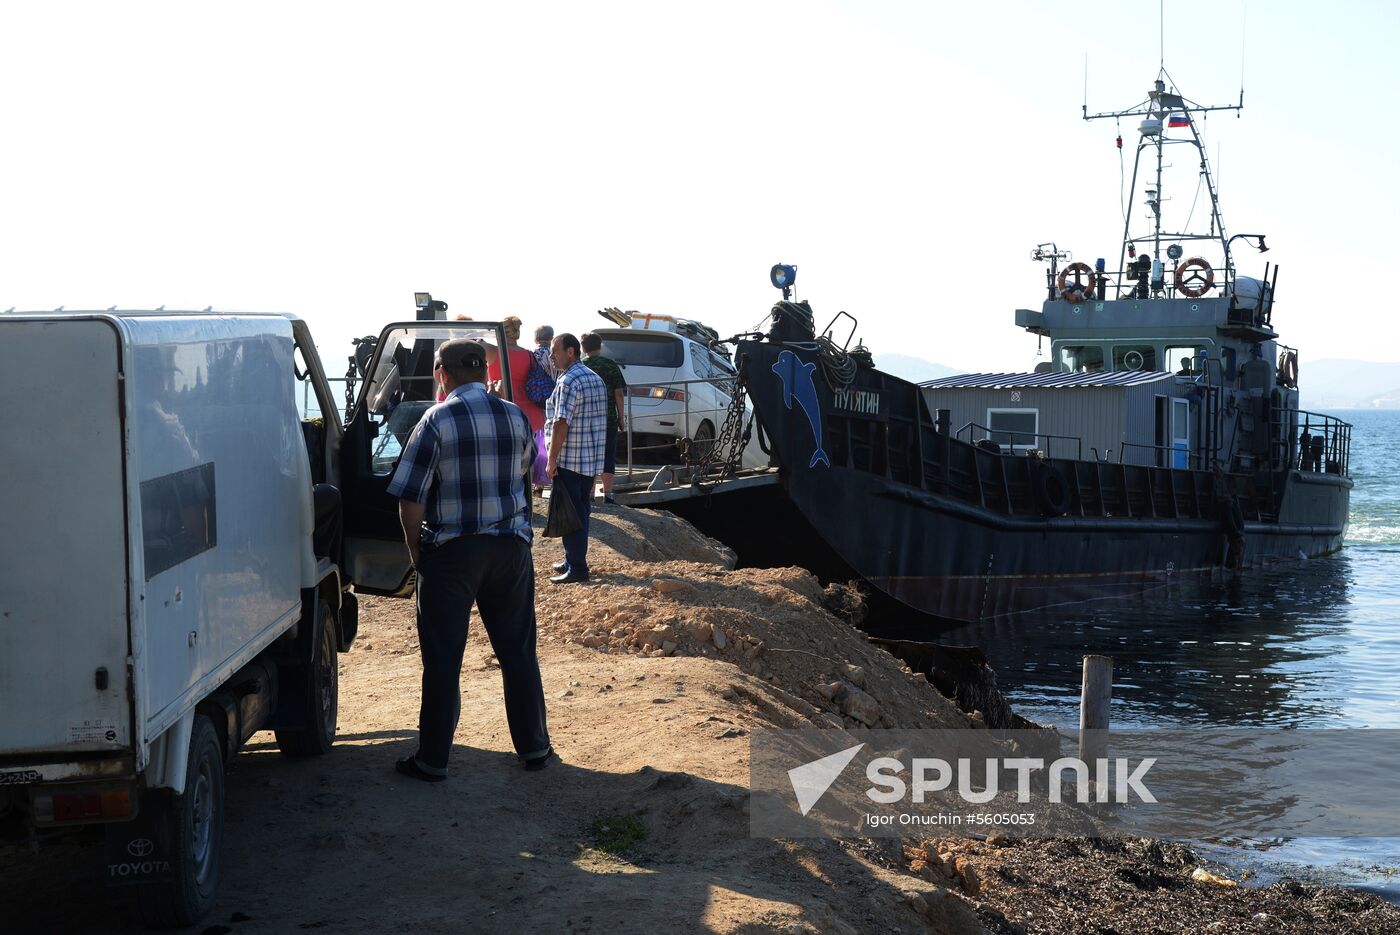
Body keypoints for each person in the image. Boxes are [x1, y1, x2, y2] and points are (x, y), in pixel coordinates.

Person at [387, 338, 552, 780]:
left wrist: (416, 550)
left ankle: (433, 759)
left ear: (442, 373)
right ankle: (535, 748)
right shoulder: (516, 416)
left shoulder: (435, 419)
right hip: (509, 550)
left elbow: (410, 497)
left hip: (453, 553)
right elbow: (525, 477)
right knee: (518, 652)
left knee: (443, 658)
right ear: (482, 372)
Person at [544, 332, 608, 584]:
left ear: (570, 351)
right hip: (589, 459)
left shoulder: (569, 381)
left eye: (555, 351)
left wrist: (551, 459)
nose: (552, 356)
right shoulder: (595, 378)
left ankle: (578, 568)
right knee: (580, 510)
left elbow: (561, 423)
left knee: (572, 516)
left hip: (570, 459)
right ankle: (572, 560)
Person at [486, 316, 549, 492]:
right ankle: (527, 498)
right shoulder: (529, 355)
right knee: (526, 461)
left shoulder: (492, 352)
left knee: (504, 460)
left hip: (503, 411)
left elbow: (469, 341)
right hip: (531, 414)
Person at [580, 332, 627, 504]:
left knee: (589, 455)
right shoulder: (610, 365)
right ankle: (608, 494)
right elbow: (619, 394)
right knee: (608, 455)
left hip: (586, 419)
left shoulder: (580, 366)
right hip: (608, 418)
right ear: (600, 346)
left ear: (583, 347)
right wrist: (621, 417)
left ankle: (590, 494)